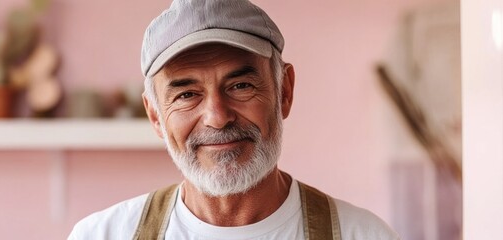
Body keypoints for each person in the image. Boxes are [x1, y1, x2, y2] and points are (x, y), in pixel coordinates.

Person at [69, 0, 399, 239]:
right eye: (187, 94)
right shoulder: (102, 235)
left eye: (240, 86)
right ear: (155, 115)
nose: (217, 117)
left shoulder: (364, 235)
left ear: (284, 91)